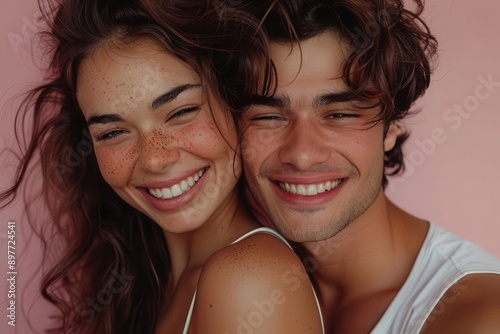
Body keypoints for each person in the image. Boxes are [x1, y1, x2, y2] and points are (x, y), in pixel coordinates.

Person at [0, 0, 324, 333]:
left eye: (180, 112)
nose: (154, 159)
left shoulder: (250, 279)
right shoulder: (146, 280)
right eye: (112, 132)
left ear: (232, 100)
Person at [235, 0, 500, 333]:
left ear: (390, 128)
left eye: (339, 115)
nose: (302, 155)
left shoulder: (478, 316)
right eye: (269, 117)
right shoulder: (243, 287)